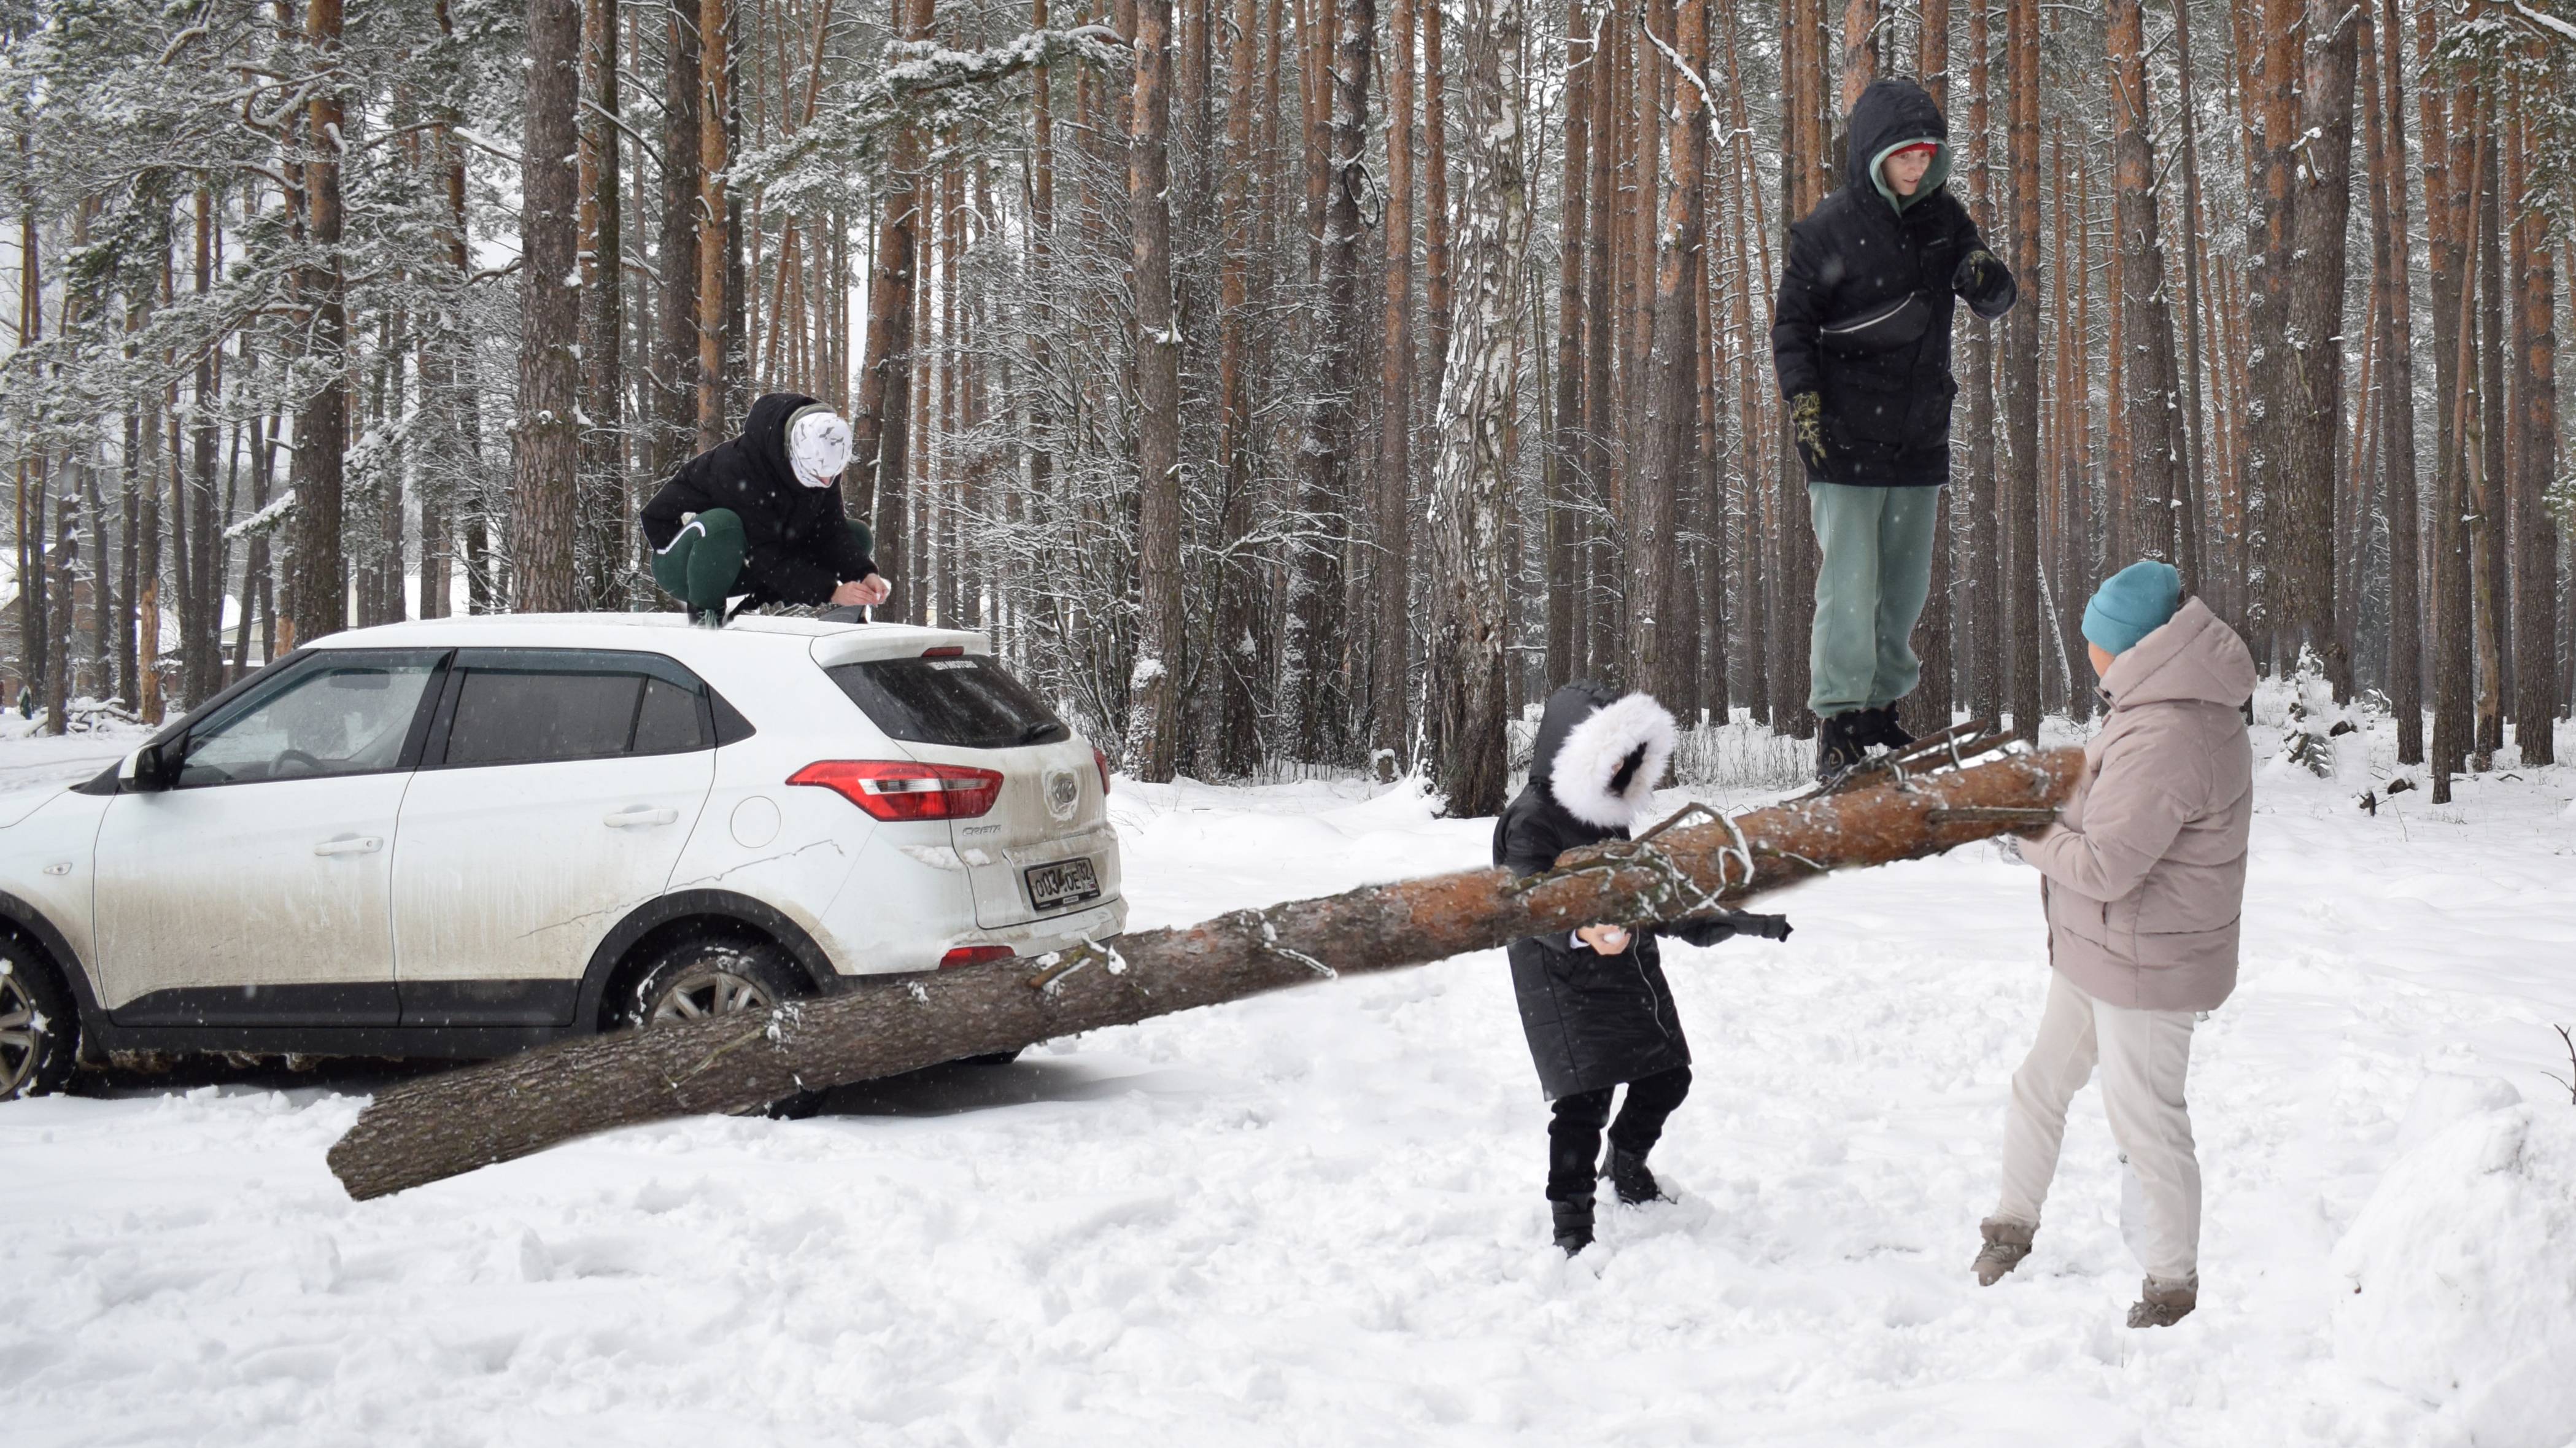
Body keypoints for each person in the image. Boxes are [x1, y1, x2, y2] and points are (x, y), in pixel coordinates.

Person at [1973, 560, 2256, 1329]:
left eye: (2094, 637)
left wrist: (2025, 835)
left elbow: (2103, 864)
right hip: (2104, 949)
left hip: (2149, 963)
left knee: (2147, 1119)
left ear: (2125, 646)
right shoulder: (2151, 706)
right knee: (2039, 1085)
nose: (2087, 648)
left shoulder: (2172, 729)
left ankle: (2171, 1287)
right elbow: (2101, 812)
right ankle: (2011, 1225)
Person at [1772, 76, 2018, 782]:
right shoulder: (1827, 229)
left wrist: (1986, 278)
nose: (1917, 167)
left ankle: (1879, 712)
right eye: (1904, 155)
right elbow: (1792, 326)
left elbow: (1987, 287)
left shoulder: (1945, 220)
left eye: (1927, 155)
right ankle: (1839, 722)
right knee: (1849, 584)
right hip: (1844, 435)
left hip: (1917, 434)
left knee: (1904, 587)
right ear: (1875, 155)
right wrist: (1805, 403)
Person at [1493, 683, 1794, 1256]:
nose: (1621, 774)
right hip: (1565, 984)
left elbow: (1645, 893)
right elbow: (1523, 902)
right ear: (1575, 751)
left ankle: (1626, 1167)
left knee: (1667, 1076)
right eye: (1612, 761)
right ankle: (1572, 1228)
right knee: (1583, 1105)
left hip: (1627, 974)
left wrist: (1721, 921)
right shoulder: (1529, 820)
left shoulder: (1605, 815)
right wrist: (1578, 932)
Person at [641, 392, 893, 625]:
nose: (826, 483)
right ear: (793, 453)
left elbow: (832, 531)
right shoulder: (739, 468)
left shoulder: (825, 461)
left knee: (856, 534)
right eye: (818, 475)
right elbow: (655, 515)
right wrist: (831, 591)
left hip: (751, 564)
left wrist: (863, 574)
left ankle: (845, 618)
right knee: (722, 525)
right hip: (688, 566)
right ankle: (706, 619)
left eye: (832, 476)